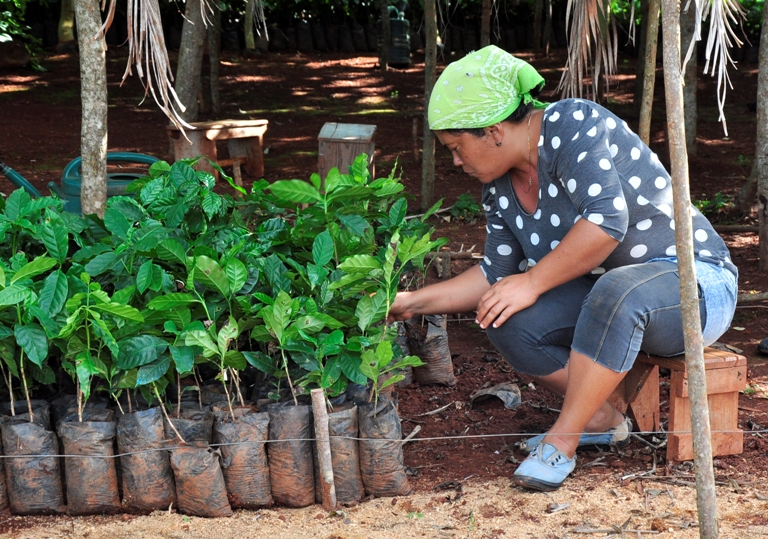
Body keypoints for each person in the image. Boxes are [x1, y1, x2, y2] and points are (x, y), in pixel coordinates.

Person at [388, 45, 738, 492]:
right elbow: (495, 276)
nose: (456, 162)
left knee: (616, 290)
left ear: (494, 131)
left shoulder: (572, 124)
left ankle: (563, 440)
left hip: (694, 286)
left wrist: (533, 281)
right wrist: (411, 303)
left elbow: (607, 223)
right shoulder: (498, 189)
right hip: (605, 297)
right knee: (504, 312)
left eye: (457, 148)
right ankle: (597, 417)